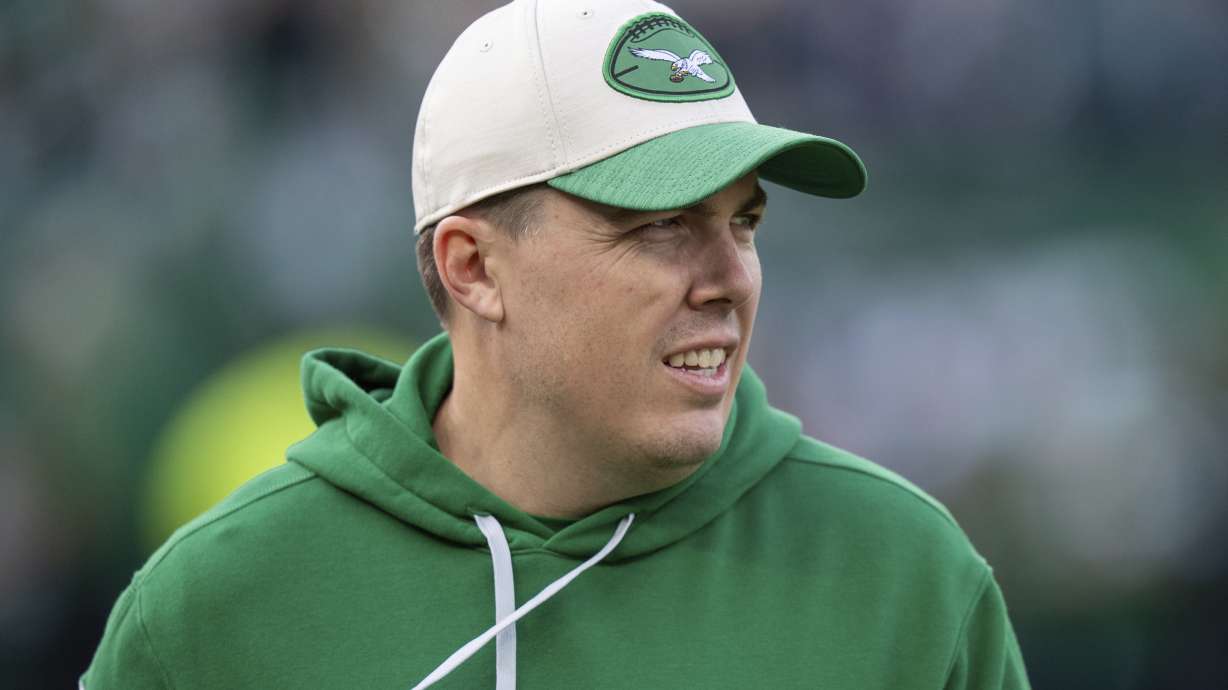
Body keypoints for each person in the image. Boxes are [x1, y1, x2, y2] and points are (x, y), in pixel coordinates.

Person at [83, 0, 1030, 687]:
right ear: (474, 269)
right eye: (659, 226)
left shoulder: (907, 578)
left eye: (742, 223)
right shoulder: (215, 609)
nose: (729, 276)